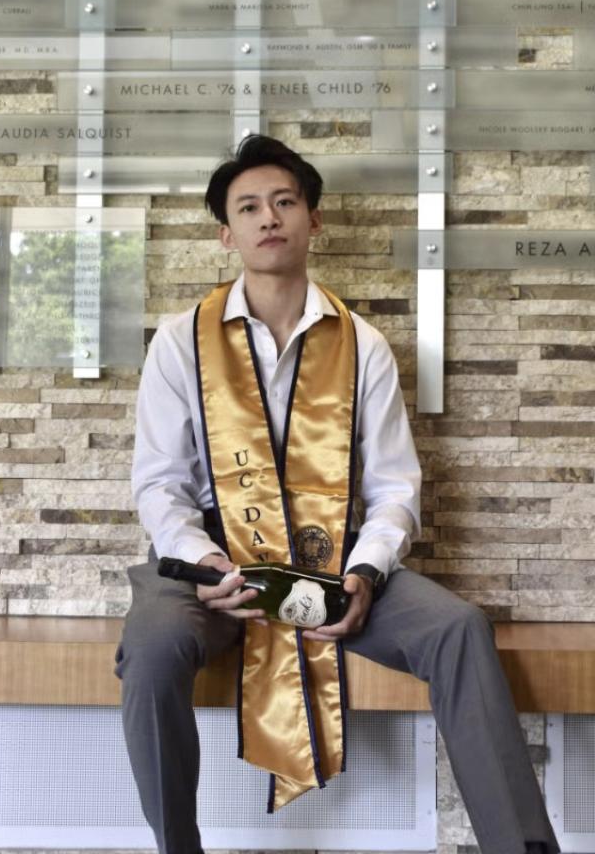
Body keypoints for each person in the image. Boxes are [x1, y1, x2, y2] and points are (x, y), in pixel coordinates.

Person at [116, 134, 560, 854]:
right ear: (227, 234)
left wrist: (367, 572)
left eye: (285, 202)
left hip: (329, 561)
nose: (269, 217)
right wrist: (204, 565)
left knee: (458, 629)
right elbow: (160, 482)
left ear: (313, 219)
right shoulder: (179, 341)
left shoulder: (363, 345)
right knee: (153, 646)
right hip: (213, 566)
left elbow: (393, 486)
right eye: (249, 207)